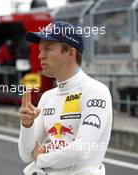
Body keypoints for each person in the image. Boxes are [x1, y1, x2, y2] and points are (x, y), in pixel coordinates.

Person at [18, 21, 112, 175]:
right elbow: (25, 155)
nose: (40, 55)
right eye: (40, 49)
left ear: (70, 53)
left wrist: (41, 159)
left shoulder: (96, 91)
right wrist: (26, 125)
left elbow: (82, 151)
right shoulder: (47, 97)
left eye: (48, 48)